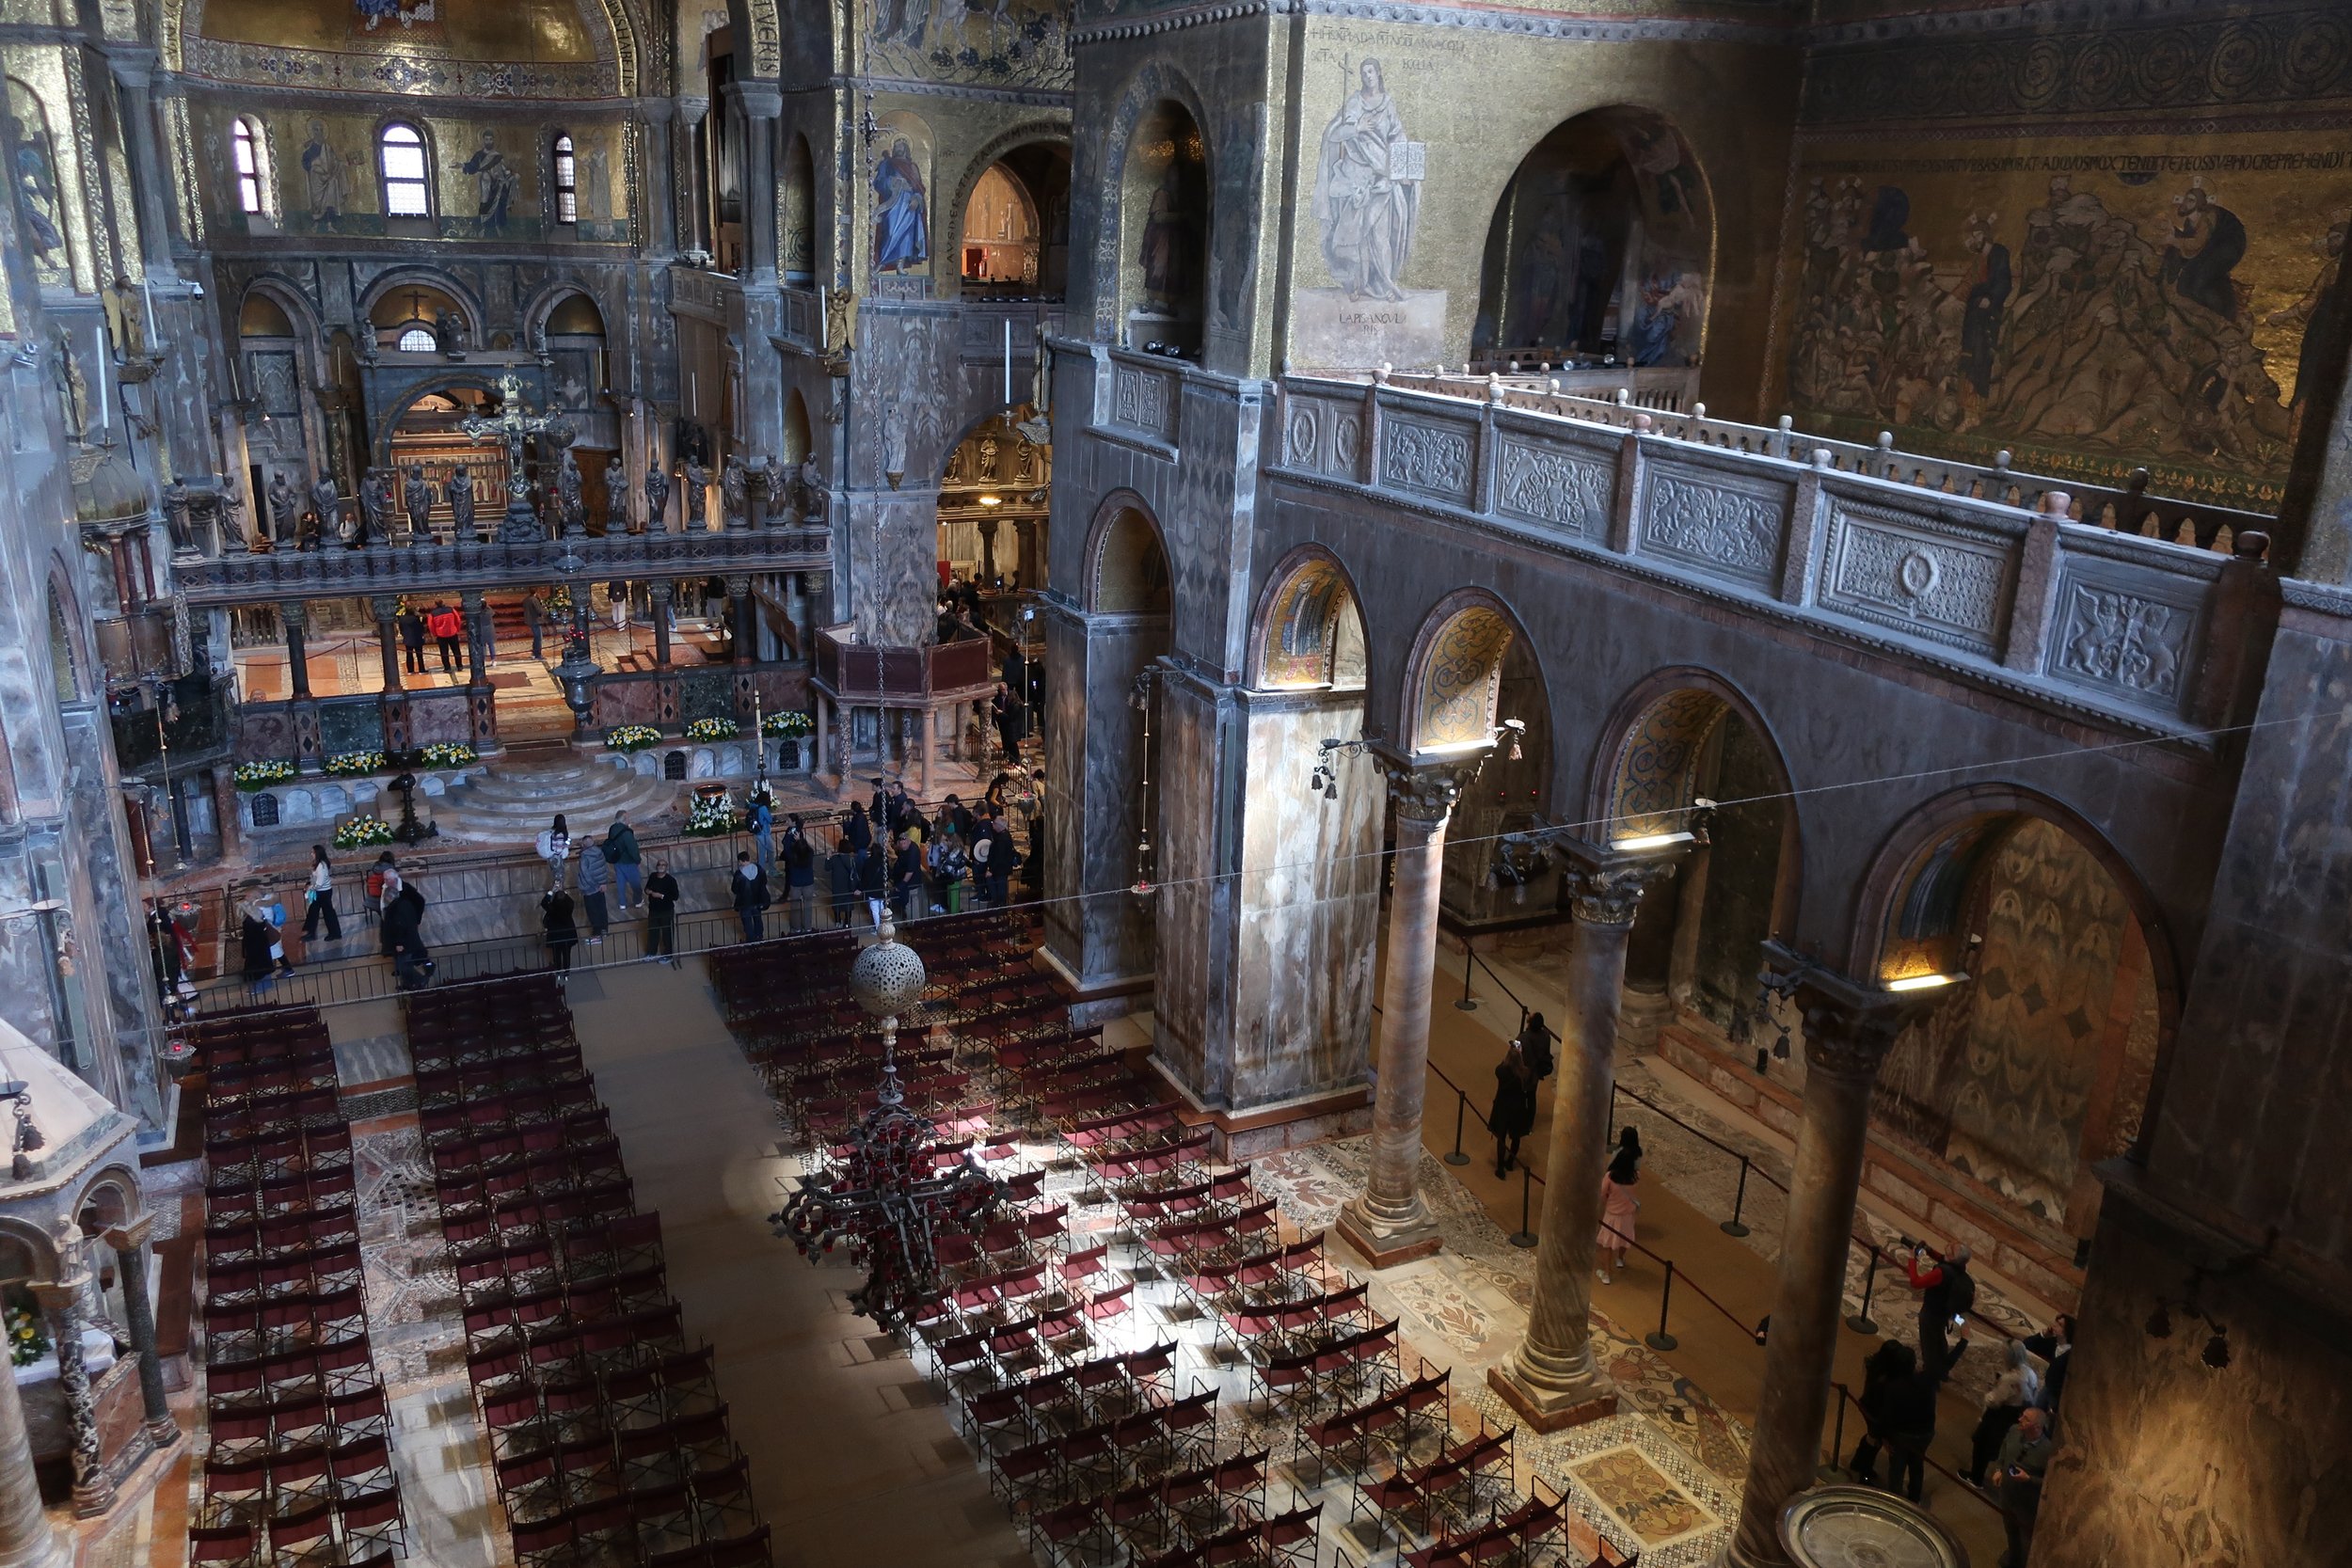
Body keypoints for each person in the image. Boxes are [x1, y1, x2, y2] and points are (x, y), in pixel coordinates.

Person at [1893, 1240, 1976, 1372]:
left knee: (1928, 1344)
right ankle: (1943, 1364)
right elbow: (1943, 1258)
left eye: (1952, 1248)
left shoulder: (1942, 1272)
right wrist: (1929, 1250)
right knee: (1939, 1339)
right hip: (1944, 1312)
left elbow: (1916, 1282)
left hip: (1931, 1313)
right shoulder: (1959, 1267)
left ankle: (1930, 1373)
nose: (1950, 1245)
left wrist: (1912, 1259)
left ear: (1953, 1257)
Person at [1969, 1338, 2043, 1485]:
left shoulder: (2011, 1378)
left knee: (1982, 1445)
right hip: (2017, 1414)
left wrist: (1988, 1395)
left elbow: (1995, 1401)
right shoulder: (2030, 1373)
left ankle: (1975, 1478)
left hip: (2001, 1415)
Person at [1849, 1340, 1916, 1488]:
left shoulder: (1875, 1366)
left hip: (1868, 1408)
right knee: (1874, 1442)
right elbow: (1883, 1408)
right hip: (1874, 1414)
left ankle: (1857, 1463)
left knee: (1871, 1439)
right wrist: (1885, 1436)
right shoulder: (1885, 1381)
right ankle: (1864, 1473)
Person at [1993, 1405, 2055, 1566]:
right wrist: (1999, 1468)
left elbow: (2052, 1484)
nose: (2019, 1419)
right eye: (2022, 1415)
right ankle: (2013, 1559)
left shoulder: (2048, 1452)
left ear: (2037, 1427)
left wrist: (2029, 1479)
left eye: (2025, 1419)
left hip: (2027, 1505)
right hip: (2007, 1495)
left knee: (2026, 1540)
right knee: (2010, 1531)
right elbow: (2004, 1448)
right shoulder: (2014, 1431)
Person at [1487, 1039, 1536, 1178]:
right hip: (1518, 1108)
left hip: (1503, 1106)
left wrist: (1507, 1058)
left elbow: (1499, 1068)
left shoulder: (1501, 1071)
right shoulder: (1525, 1073)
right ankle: (1510, 1162)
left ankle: (1500, 1167)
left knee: (1501, 1137)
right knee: (1516, 1136)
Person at [1597, 1144, 1641, 1282]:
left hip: (1612, 1214)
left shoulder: (1610, 1176)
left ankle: (1607, 1274)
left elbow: (1602, 1193)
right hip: (1628, 1214)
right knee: (1624, 1239)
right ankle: (1620, 1259)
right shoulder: (1636, 1176)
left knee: (1608, 1244)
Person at [2021, 1313, 2074, 1422]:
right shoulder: (2054, 1344)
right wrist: (2043, 1335)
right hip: (2049, 1388)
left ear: (2067, 1331)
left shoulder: (2071, 1355)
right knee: (2032, 1413)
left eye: (2059, 1324)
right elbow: (2027, 1344)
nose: (2054, 1325)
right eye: (2056, 1322)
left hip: (2059, 1396)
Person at [385, 883, 431, 990]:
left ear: (389, 897)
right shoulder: (405, 903)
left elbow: (399, 926)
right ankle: (408, 983)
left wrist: (399, 943)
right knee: (404, 965)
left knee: (405, 966)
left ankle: (420, 980)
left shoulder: (396, 908)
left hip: (404, 943)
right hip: (409, 939)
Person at [782, 816, 817, 932]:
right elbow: (807, 848)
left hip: (796, 883)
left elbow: (786, 849)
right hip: (808, 883)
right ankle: (807, 927)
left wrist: (792, 841)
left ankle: (796, 928)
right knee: (808, 906)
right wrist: (800, 841)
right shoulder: (810, 854)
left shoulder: (793, 857)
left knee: (795, 906)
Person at [302, 844, 342, 942]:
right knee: (315, 912)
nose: (311, 854)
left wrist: (310, 888)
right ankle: (313, 932)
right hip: (321, 892)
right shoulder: (319, 863)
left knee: (326, 913)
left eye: (313, 852)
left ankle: (333, 933)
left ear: (317, 853)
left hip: (322, 893)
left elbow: (319, 883)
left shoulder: (321, 866)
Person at [644, 859, 680, 965]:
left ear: (666, 867)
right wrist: (647, 891)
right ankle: (651, 952)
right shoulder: (653, 876)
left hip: (666, 910)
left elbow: (675, 896)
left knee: (667, 933)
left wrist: (661, 896)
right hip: (653, 909)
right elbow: (647, 888)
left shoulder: (670, 880)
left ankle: (668, 955)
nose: (661, 866)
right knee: (653, 931)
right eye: (659, 864)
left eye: (663, 865)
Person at [237, 895, 277, 993]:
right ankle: (257, 983)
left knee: (258, 968)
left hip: (255, 948)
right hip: (260, 946)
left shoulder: (249, 921)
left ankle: (259, 987)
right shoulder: (256, 916)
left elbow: (250, 935)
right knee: (261, 965)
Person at [604, 814, 644, 911]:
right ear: (625, 819)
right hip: (628, 862)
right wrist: (637, 860)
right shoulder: (626, 833)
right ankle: (638, 901)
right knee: (635, 883)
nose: (630, 819)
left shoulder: (612, 828)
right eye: (628, 818)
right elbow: (633, 849)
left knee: (620, 882)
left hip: (617, 860)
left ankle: (622, 903)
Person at [577, 838, 611, 944]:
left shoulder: (584, 857)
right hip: (601, 886)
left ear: (583, 845)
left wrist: (594, 885)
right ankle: (604, 930)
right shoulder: (599, 852)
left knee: (592, 912)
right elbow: (604, 868)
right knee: (602, 908)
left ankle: (597, 935)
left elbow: (585, 873)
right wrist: (603, 883)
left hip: (590, 888)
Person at [927, 829, 968, 914]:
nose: (947, 842)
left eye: (948, 841)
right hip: (955, 875)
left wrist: (943, 863)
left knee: (953, 896)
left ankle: (954, 914)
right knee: (952, 895)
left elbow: (948, 865)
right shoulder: (957, 849)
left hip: (954, 876)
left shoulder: (956, 851)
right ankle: (953, 911)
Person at [731, 850, 770, 942]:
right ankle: (759, 936)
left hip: (745, 902)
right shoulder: (759, 869)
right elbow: (764, 882)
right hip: (758, 900)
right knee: (758, 918)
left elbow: (734, 889)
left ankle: (751, 939)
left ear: (741, 861)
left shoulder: (739, 874)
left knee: (747, 921)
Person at [541, 883, 580, 974]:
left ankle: (558, 971)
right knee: (567, 954)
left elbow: (543, 903)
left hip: (556, 936)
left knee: (556, 954)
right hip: (567, 935)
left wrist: (551, 891)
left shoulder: (552, 908)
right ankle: (566, 971)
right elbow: (571, 902)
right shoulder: (568, 907)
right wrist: (564, 892)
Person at [369, 852, 403, 953]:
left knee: (384, 924)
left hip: (373, 899)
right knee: (390, 926)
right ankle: (389, 948)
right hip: (386, 901)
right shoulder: (390, 872)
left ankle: (386, 947)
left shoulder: (375, 867)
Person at [889, 832, 923, 920]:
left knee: (912, 903)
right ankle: (909, 922)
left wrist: (903, 883)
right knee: (907, 904)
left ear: (908, 841)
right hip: (905, 879)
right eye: (901, 844)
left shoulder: (913, 852)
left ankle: (915, 923)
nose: (902, 846)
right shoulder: (903, 849)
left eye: (904, 843)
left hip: (912, 881)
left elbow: (910, 871)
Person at [826, 836, 857, 928]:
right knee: (848, 904)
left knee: (837, 903)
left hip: (837, 885)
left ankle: (838, 921)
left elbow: (827, 868)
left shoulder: (835, 859)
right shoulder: (851, 859)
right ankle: (847, 922)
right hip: (848, 885)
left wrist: (828, 857)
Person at [857, 838, 888, 929]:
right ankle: (884, 926)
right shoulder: (884, 861)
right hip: (882, 888)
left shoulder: (868, 862)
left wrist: (861, 888)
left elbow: (864, 878)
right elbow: (888, 874)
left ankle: (878, 928)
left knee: (874, 910)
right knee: (882, 908)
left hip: (872, 889)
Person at [427, 599, 465, 673]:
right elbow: (458, 620)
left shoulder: (433, 613)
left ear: (435, 604)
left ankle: (447, 668)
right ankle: (459, 666)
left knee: (444, 652)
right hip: (452, 633)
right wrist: (457, 629)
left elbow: (431, 625)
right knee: (456, 650)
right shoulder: (451, 610)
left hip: (441, 635)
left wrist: (434, 634)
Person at [1517, 1011, 1556, 1081]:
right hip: (1537, 1071)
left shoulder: (1521, 1038)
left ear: (1529, 1023)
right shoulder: (1546, 1035)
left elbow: (1514, 1054)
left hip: (1524, 1071)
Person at [538, 814, 572, 889]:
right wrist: (567, 844)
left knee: (556, 877)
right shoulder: (559, 834)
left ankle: (556, 892)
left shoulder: (552, 831)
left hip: (551, 858)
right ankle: (557, 893)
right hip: (557, 859)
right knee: (559, 878)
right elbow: (558, 850)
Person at [750, 794, 775, 879]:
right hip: (764, 832)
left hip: (758, 832)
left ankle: (761, 872)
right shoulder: (763, 808)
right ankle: (772, 870)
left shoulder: (753, 806)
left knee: (761, 854)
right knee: (771, 851)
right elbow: (770, 819)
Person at [398, 605, 428, 674]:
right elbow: (420, 628)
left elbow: (401, 628)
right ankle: (421, 670)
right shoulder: (415, 618)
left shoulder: (402, 618)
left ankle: (410, 670)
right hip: (417, 638)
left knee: (409, 655)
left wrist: (404, 634)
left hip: (407, 638)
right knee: (419, 655)